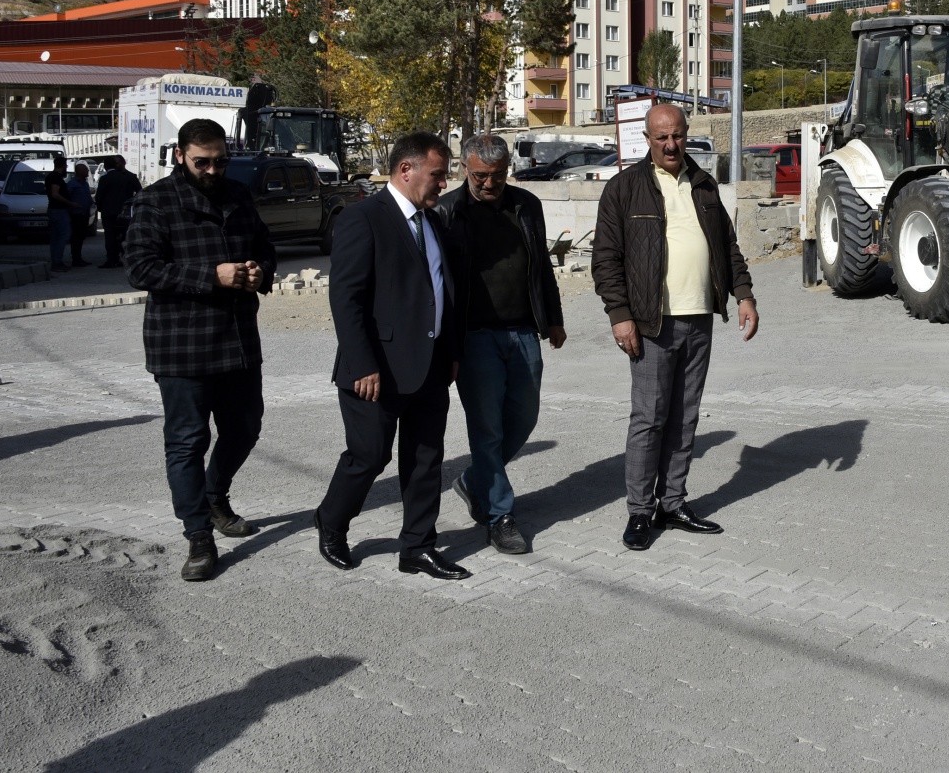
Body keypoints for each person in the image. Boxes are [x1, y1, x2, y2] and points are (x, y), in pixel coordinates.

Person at [592, 104, 757, 552]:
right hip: (650, 323)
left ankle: (674, 502)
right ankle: (640, 511)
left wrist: (744, 295)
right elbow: (605, 260)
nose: (670, 145)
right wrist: (619, 315)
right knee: (649, 418)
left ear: (687, 135)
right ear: (647, 139)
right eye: (661, 137)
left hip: (700, 317)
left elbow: (728, 245)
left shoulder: (703, 185)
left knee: (685, 416)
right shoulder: (624, 189)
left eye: (678, 136)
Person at [125, 118, 276, 582]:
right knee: (188, 441)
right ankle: (198, 536)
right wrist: (213, 275)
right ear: (180, 155)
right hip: (181, 344)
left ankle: (215, 496)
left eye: (220, 161)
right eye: (202, 162)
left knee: (246, 427)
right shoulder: (155, 200)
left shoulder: (238, 195)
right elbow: (140, 268)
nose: (212, 170)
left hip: (236, 339)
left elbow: (267, 249)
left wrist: (258, 272)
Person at [315, 132, 470, 581]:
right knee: (368, 456)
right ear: (407, 170)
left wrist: (452, 351)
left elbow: (445, 293)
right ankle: (332, 521)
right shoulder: (362, 218)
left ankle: (417, 547)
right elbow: (346, 298)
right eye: (438, 174)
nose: (443, 183)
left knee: (426, 460)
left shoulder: (434, 221)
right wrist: (363, 362)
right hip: (376, 370)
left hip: (432, 364)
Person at [435, 134, 566, 555]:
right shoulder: (447, 212)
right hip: (474, 338)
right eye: (480, 176)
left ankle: (475, 481)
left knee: (524, 417)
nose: (489, 184)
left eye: (497, 175)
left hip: (524, 331)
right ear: (463, 169)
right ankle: (499, 515)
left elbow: (541, 266)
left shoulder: (527, 205)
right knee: (486, 428)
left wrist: (554, 319)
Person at [96, 154, 142, 268]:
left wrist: (101, 208)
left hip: (110, 213)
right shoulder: (127, 178)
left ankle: (112, 259)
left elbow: (99, 196)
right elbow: (140, 193)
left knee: (110, 237)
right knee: (125, 236)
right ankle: (125, 259)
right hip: (125, 213)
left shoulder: (106, 178)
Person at [44, 155, 74, 272]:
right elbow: (55, 194)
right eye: (65, 166)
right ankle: (57, 262)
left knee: (56, 237)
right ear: (63, 166)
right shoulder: (55, 177)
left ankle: (56, 261)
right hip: (59, 210)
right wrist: (70, 203)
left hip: (54, 209)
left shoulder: (51, 176)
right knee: (63, 235)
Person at [66, 161, 94, 267]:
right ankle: (76, 259)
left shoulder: (85, 184)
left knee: (81, 237)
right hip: (77, 215)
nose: (87, 171)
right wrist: (73, 205)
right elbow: (67, 197)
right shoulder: (73, 184)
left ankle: (79, 258)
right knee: (76, 237)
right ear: (79, 171)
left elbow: (88, 197)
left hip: (84, 214)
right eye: (85, 169)